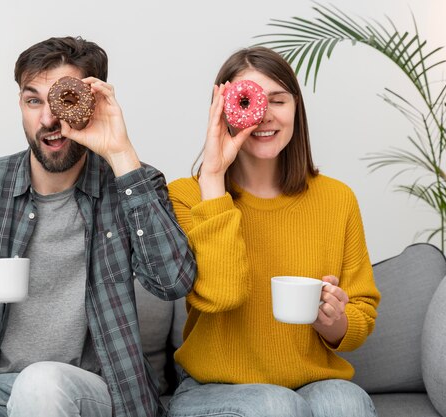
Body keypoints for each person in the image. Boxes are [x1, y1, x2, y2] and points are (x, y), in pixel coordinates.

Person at [0, 36, 196, 417]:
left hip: (96, 390)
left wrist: (120, 153)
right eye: (33, 100)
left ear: (92, 102)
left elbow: (173, 282)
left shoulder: (132, 181)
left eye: (62, 101)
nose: (48, 119)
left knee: (42, 383)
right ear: (20, 103)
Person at [166, 46, 381, 417]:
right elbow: (223, 292)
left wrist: (334, 320)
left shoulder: (338, 199)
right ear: (222, 112)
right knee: (275, 405)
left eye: (277, 100)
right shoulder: (185, 196)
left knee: (346, 403)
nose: (263, 116)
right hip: (213, 388)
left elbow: (361, 315)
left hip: (313, 381)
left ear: (296, 106)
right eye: (249, 101)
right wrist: (213, 177)